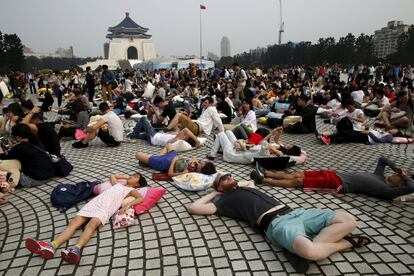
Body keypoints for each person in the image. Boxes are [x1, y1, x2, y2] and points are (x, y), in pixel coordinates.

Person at [187, 174, 370, 273]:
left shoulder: (244, 186)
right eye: (223, 180)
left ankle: (302, 246)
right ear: (219, 187)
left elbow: (250, 181)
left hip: (297, 213)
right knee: (311, 251)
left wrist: (232, 183)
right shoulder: (223, 202)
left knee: (348, 219)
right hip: (277, 225)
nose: (227, 177)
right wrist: (215, 194)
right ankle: (347, 243)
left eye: (228, 175)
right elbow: (193, 208)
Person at [25, 173, 147, 264]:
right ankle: (52, 245)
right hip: (94, 204)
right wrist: (128, 177)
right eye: (132, 174)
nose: (132, 175)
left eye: (135, 176)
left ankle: (76, 249)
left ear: (137, 184)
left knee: (92, 225)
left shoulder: (131, 189)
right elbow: (112, 175)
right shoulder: (118, 185)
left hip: (106, 208)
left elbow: (140, 198)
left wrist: (127, 205)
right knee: (73, 223)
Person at [250, 156, 414, 201]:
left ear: (400, 184)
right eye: (397, 173)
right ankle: (267, 172)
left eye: (398, 176)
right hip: (334, 173)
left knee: (298, 182)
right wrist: (395, 167)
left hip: (338, 184)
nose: (395, 174)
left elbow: (411, 187)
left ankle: (263, 180)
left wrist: (406, 176)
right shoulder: (380, 176)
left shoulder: (385, 190)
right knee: (299, 174)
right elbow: (382, 159)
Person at [135, 148, 216, 177]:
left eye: (202, 164)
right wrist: (194, 160)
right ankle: (154, 158)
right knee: (169, 145)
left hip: (166, 162)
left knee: (138, 155)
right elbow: (194, 158)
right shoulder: (196, 165)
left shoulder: (187, 172)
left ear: (201, 170)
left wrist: (173, 161)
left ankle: (153, 160)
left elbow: (170, 174)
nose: (201, 163)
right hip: (172, 157)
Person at [127, 116, 200, 148]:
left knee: (143, 119)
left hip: (154, 137)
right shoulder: (178, 138)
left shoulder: (178, 140)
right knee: (142, 135)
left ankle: (133, 133)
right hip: (154, 138)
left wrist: (196, 141)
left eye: (187, 136)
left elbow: (186, 130)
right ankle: (131, 135)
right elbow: (180, 130)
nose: (186, 134)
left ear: (187, 139)